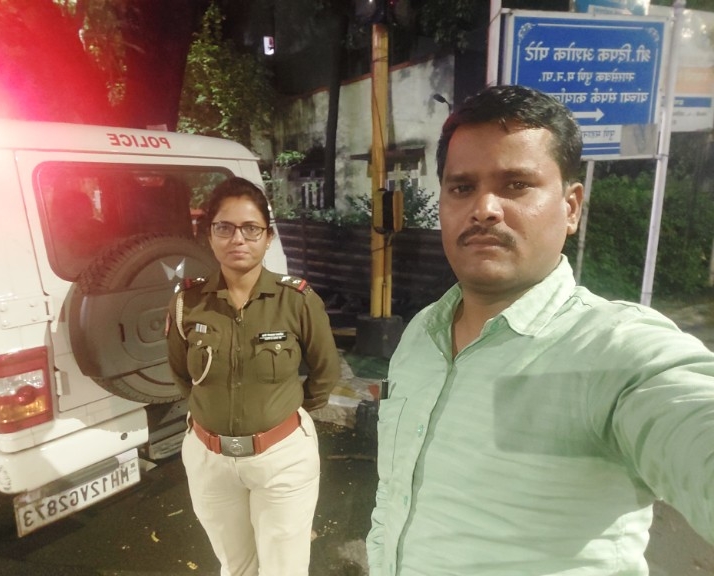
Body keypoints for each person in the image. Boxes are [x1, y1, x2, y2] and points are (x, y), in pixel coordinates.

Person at [366, 84, 714, 575]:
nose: (484, 208)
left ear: (571, 207)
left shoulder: (615, 351)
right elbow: (393, 496)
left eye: (516, 185)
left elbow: (689, 417)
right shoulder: (422, 333)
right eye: (462, 188)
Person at [167, 176, 340, 576]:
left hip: (281, 458)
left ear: (268, 237)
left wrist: (280, 416)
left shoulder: (296, 300)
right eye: (224, 228)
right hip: (209, 459)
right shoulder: (187, 302)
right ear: (209, 235)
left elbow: (325, 373)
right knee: (235, 566)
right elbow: (181, 374)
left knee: (284, 568)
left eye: (251, 229)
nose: (237, 239)